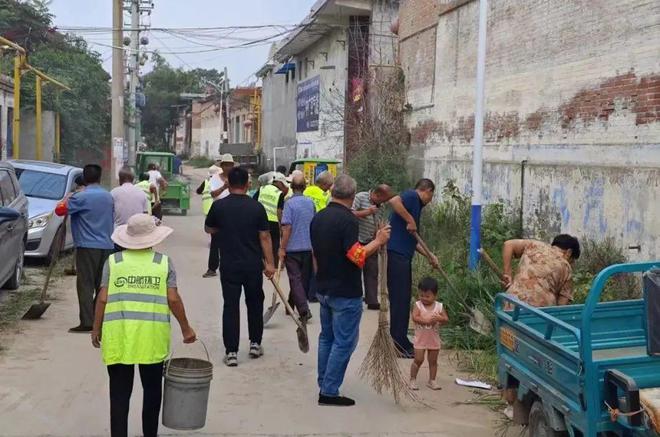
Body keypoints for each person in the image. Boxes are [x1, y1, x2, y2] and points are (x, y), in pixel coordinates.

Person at [91, 213, 196, 437]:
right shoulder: (163, 263)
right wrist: (186, 328)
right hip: (152, 338)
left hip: (119, 337)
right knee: (152, 392)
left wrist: (96, 327)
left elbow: (102, 297)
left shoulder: (114, 261)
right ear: (153, 238)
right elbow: (173, 299)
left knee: (119, 394)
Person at [311, 174, 391, 407]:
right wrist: (378, 241)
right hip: (345, 290)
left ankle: (324, 382)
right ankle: (329, 390)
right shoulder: (347, 220)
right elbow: (356, 256)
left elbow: (315, 253)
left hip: (324, 287)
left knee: (327, 337)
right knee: (344, 341)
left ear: (333, 191)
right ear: (353, 195)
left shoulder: (320, 217)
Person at [205, 167, 276, 367]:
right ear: (247, 184)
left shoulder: (219, 207)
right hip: (253, 264)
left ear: (228, 183)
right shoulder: (256, 208)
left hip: (229, 264)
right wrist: (270, 263)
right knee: (254, 303)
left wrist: (221, 228)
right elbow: (265, 236)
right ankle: (255, 343)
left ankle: (231, 352)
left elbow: (208, 228)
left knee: (230, 306)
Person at [55, 164, 114, 333]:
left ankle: (88, 322)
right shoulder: (108, 196)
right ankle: (99, 319)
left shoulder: (80, 197)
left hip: (87, 246)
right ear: (99, 177)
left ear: (84, 179)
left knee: (85, 285)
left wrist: (70, 195)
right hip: (107, 245)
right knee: (101, 284)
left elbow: (59, 210)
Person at [387, 178, 438, 358]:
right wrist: (410, 219)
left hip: (403, 256)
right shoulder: (411, 196)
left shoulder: (416, 206)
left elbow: (413, 239)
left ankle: (400, 338)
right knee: (399, 299)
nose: (430, 200)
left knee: (403, 298)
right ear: (427, 191)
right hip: (397, 256)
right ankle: (399, 343)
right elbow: (393, 201)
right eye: (431, 196)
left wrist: (429, 255)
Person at [502, 235, 581, 307]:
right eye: (572, 260)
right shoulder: (566, 266)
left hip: (510, 304)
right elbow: (561, 306)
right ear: (569, 252)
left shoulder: (534, 245)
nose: (571, 264)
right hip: (539, 315)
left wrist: (507, 274)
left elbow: (508, 244)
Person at [279, 173, 315, 322]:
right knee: (303, 280)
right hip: (308, 247)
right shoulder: (310, 203)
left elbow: (287, 228)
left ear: (292, 188)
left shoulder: (289, 204)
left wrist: (282, 248)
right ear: (305, 188)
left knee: (295, 279)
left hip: (293, 249)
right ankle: (292, 303)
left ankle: (303, 310)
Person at [352, 184, 395, 310]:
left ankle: (372, 300)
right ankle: (356, 296)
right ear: (377, 194)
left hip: (372, 240)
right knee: (355, 270)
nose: (385, 202)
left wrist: (380, 236)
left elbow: (379, 221)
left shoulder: (381, 206)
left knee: (372, 270)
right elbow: (350, 213)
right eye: (384, 199)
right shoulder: (360, 197)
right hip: (357, 240)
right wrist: (367, 212)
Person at [409, 277, 448, 391]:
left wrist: (439, 318)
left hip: (433, 340)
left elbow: (446, 319)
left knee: (433, 361)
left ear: (435, 295)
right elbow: (415, 317)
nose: (424, 298)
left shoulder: (439, 306)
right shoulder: (418, 305)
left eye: (427, 296)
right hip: (420, 340)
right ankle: (412, 379)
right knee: (418, 360)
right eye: (421, 295)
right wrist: (426, 321)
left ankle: (432, 380)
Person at [203, 154, 235, 278]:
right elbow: (213, 194)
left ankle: (231, 267)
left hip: (233, 211)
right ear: (221, 166)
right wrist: (224, 187)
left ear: (232, 166)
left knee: (233, 241)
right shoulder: (215, 178)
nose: (227, 167)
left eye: (230, 165)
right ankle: (212, 268)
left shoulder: (236, 177)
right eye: (225, 165)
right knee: (215, 241)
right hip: (219, 211)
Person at [254, 172, 286, 265]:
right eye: (282, 184)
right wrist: (281, 225)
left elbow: (254, 201)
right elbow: (279, 211)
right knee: (275, 243)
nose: (282, 186)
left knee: (260, 241)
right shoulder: (279, 193)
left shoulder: (262, 188)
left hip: (259, 220)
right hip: (273, 221)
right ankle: (274, 263)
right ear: (278, 182)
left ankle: (262, 262)